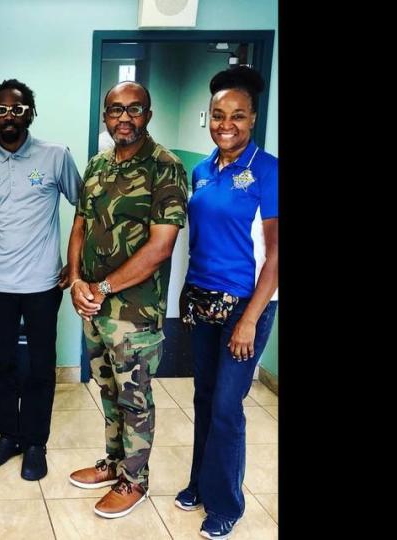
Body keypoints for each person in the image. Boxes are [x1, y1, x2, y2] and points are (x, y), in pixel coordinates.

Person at [65, 81, 188, 518]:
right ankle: (115, 463)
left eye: (134, 110)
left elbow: (160, 247)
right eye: (115, 110)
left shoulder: (165, 167)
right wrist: (77, 279)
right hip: (93, 306)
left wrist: (100, 289)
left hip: (134, 312)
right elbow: (80, 224)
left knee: (134, 396)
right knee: (108, 389)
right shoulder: (97, 164)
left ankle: (135, 480)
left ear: (148, 115)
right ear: (105, 116)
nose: (124, 117)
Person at [173, 65, 278, 539]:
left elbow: (276, 252)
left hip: (245, 304)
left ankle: (227, 503)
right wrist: (187, 293)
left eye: (237, 115)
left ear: (252, 118)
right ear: (208, 118)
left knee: (226, 407)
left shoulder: (268, 170)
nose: (226, 124)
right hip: (201, 297)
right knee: (202, 397)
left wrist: (249, 320)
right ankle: (199, 481)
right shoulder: (201, 169)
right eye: (218, 115)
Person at [0, 79, 83, 481]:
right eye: (1, 109)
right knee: (2, 363)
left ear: (30, 112)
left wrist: (75, 263)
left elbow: (84, 209)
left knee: (39, 366)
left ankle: (36, 442)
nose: (9, 116)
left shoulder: (55, 156)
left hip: (43, 285)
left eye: (17, 109)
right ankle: (9, 436)